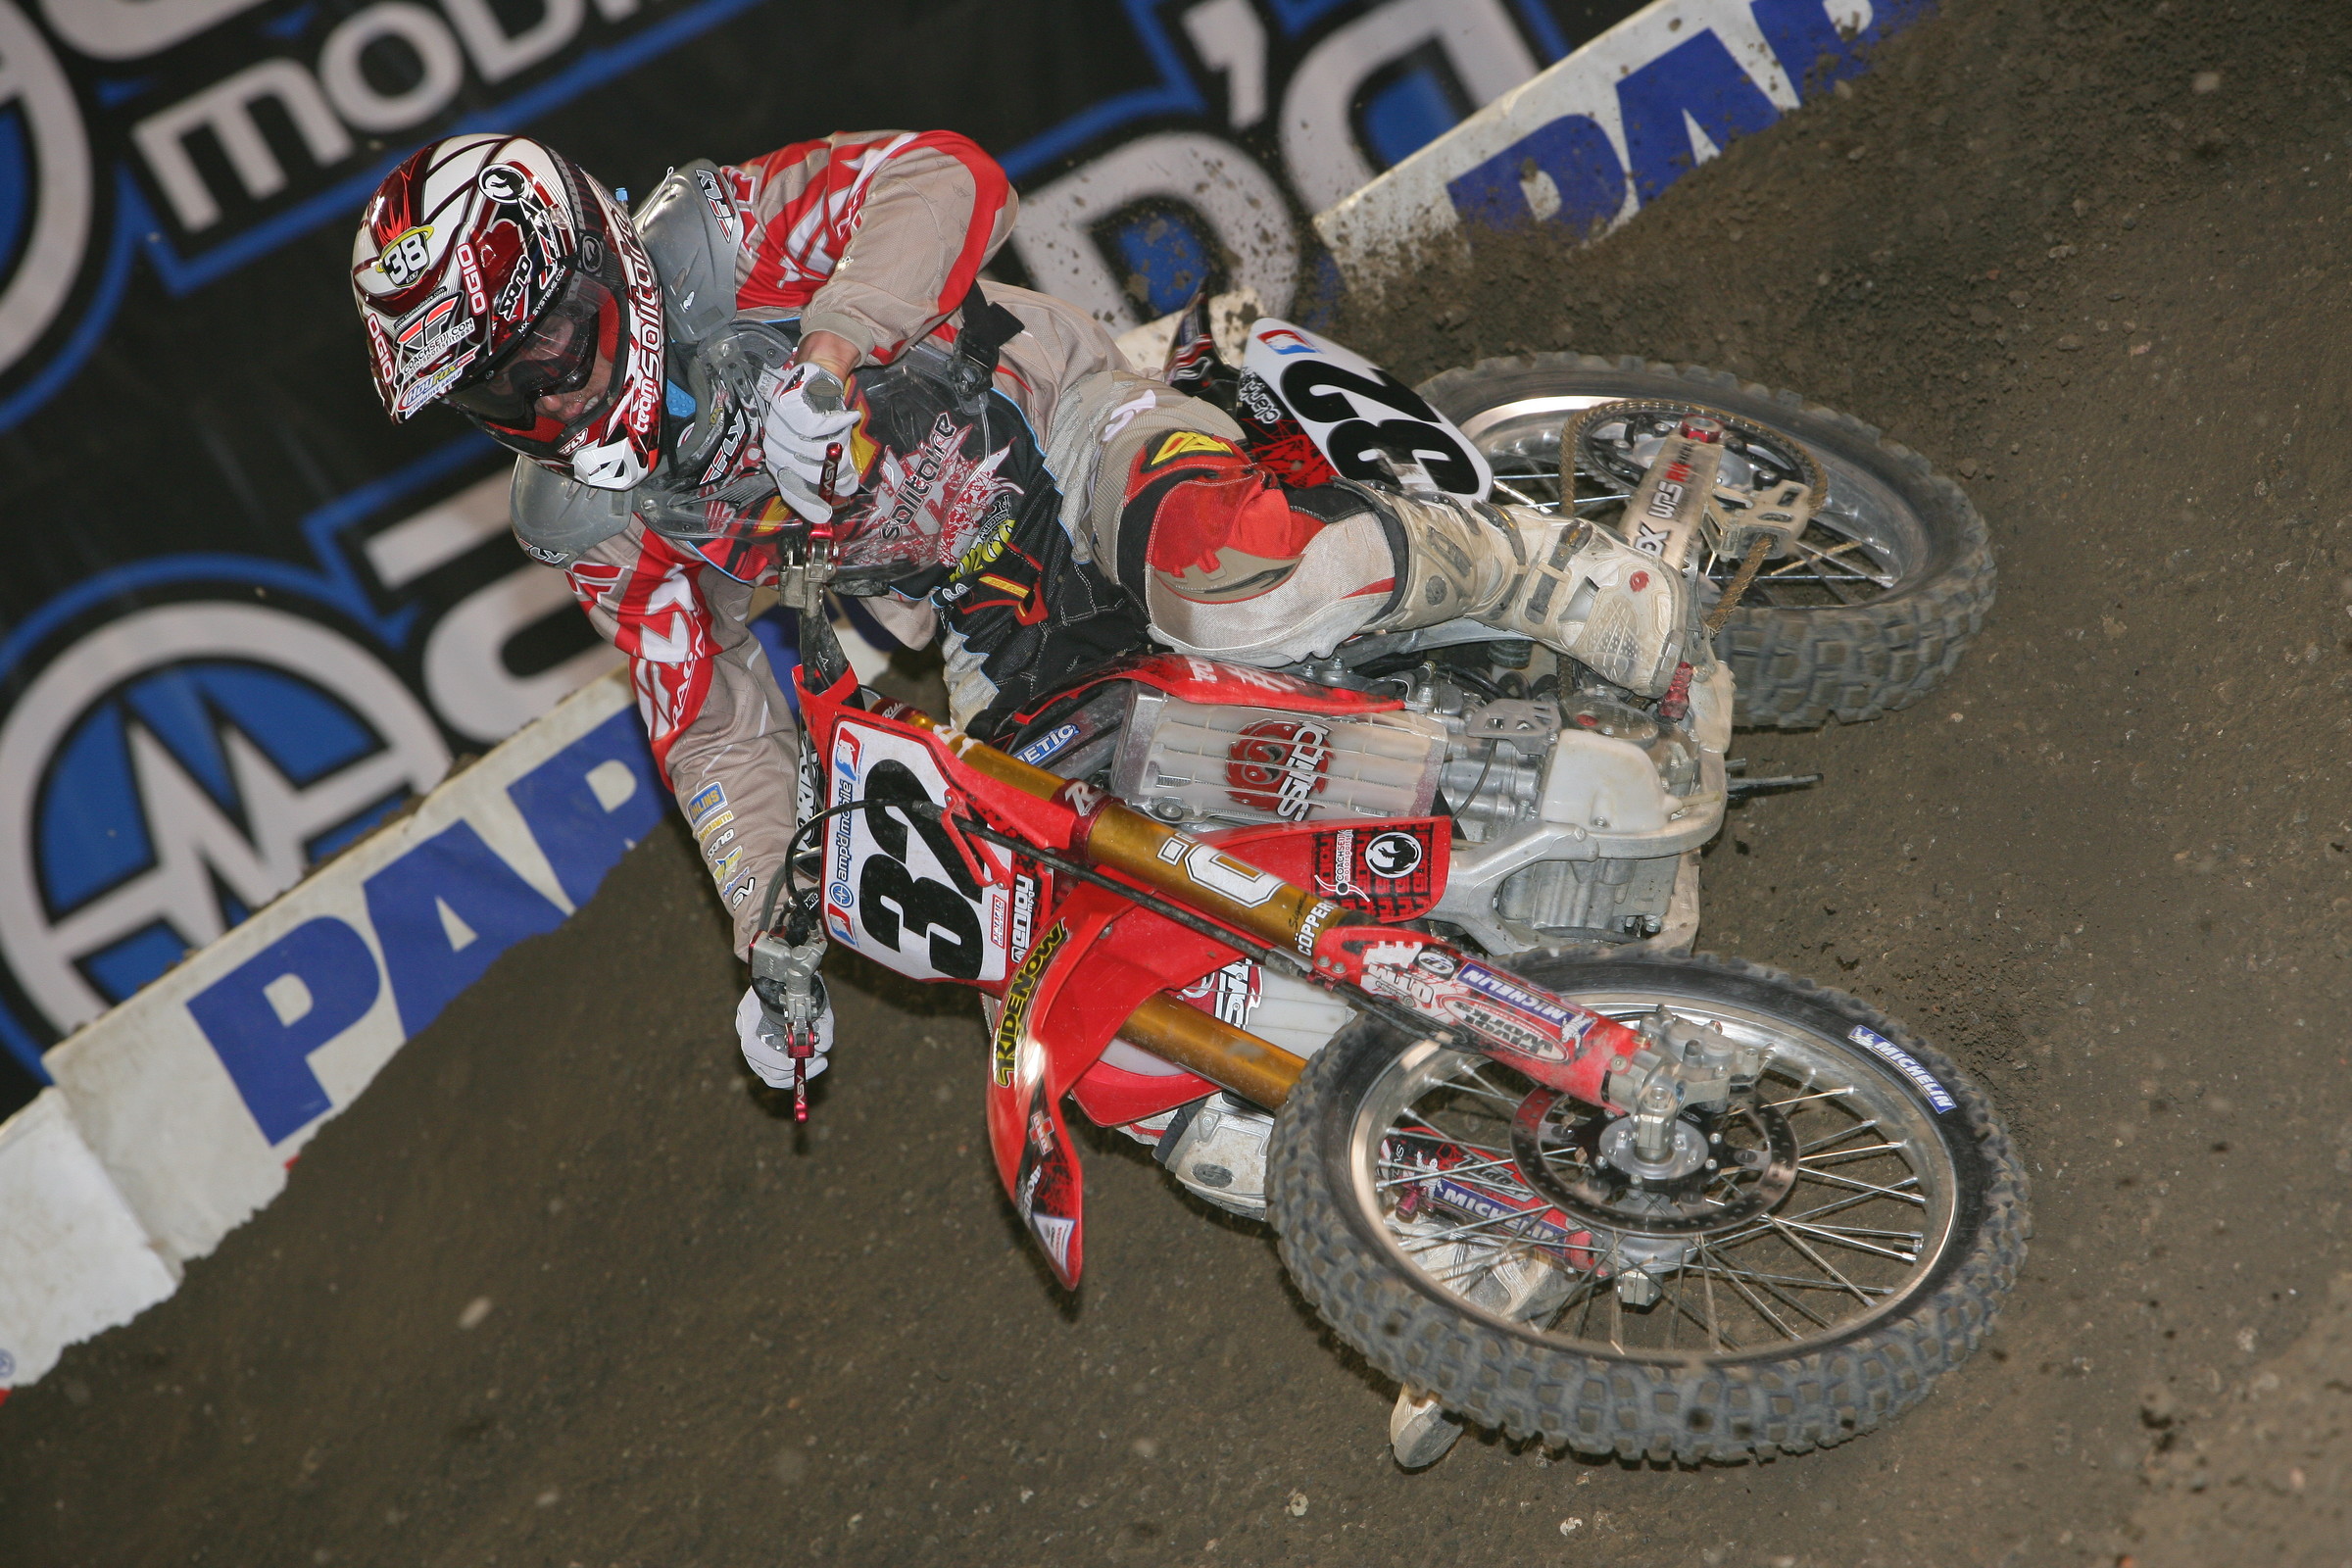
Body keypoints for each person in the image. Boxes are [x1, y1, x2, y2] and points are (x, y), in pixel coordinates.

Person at [349, 129, 1687, 1093]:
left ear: (596, 258)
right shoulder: (588, 518)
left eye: (542, 346)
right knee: (1062, 968)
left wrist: (833, 348)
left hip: (1074, 431)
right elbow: (708, 723)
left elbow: (942, 174)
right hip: (992, 615)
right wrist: (769, 937)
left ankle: (1533, 565)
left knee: (1236, 592)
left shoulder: (718, 235)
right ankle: (1407, 1170)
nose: (547, 403)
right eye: (494, 394)